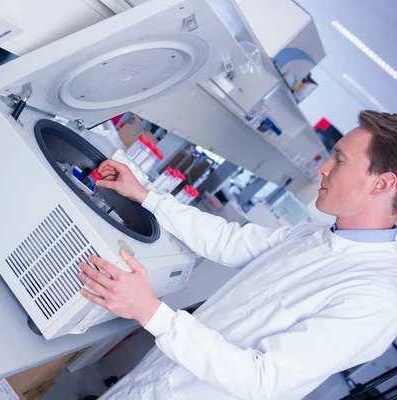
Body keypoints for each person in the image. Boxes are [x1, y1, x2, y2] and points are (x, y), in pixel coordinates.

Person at [77, 110, 397, 400]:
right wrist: (146, 196)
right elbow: (228, 241)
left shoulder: (375, 298)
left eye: (339, 160)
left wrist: (149, 310)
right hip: (154, 379)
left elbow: (261, 379)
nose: (324, 169)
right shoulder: (315, 236)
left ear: (381, 184)